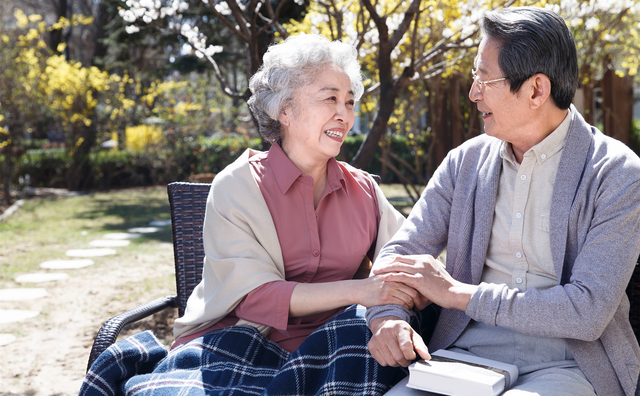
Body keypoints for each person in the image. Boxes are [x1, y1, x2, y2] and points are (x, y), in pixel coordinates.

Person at [80, 33, 430, 396]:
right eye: (330, 99)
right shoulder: (237, 185)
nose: (343, 113)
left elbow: (406, 260)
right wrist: (363, 290)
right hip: (234, 340)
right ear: (285, 110)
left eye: (349, 101)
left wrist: (390, 305)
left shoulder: (364, 191)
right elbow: (258, 298)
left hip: (331, 344)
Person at [366, 6, 640, 396]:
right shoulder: (465, 162)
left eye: (483, 78)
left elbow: (587, 311)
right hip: (462, 357)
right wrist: (387, 318)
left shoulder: (616, 172)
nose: (473, 93)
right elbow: (401, 255)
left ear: (535, 90)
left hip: (569, 364)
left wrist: (458, 294)